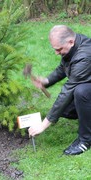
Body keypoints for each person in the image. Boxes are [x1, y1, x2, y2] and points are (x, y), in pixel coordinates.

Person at [28, 25, 91, 155]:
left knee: (80, 92)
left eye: (59, 49)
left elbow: (67, 92)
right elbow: (63, 67)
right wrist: (46, 81)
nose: (56, 53)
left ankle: (85, 140)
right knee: (66, 110)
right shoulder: (73, 44)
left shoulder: (84, 56)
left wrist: (43, 125)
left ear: (70, 42)